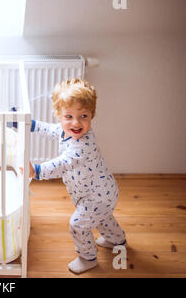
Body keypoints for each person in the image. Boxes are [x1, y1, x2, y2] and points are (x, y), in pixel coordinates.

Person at [28, 78, 126, 274]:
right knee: (101, 217)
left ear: (92, 115)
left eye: (83, 116)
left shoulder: (83, 146)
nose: (76, 123)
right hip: (101, 192)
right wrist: (27, 124)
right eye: (69, 116)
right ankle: (117, 239)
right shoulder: (65, 131)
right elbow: (48, 129)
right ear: (59, 115)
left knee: (78, 224)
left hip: (97, 195)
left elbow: (62, 164)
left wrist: (37, 171)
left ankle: (87, 257)